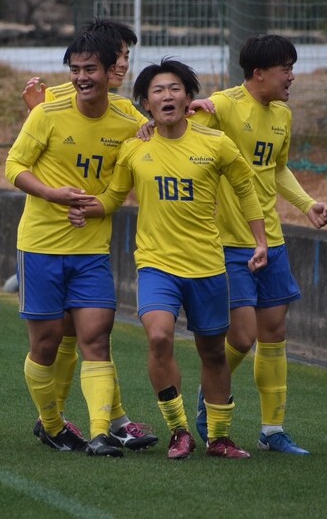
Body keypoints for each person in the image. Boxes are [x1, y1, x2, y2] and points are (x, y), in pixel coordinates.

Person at [68, 59, 268, 460]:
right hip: (157, 264)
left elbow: (246, 185)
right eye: (158, 91)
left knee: (212, 352)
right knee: (159, 336)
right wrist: (87, 208)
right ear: (146, 103)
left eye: (174, 88)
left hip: (208, 265)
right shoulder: (134, 148)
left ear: (189, 98)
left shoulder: (215, 143)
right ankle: (179, 431)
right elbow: (113, 197)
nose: (167, 96)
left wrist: (258, 240)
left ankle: (220, 438)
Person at [5, 31, 157, 458]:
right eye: (74, 70)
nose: (81, 78)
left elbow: (143, 158)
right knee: (47, 343)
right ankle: (52, 425)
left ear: (112, 73)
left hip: (91, 250)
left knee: (96, 338)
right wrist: (53, 193)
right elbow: (14, 166)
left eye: (90, 70)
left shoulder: (129, 122)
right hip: (40, 246)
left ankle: (101, 433)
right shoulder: (48, 113)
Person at [188, 34, 327, 455]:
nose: (292, 76)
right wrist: (187, 113)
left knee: (275, 332)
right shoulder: (223, 104)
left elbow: (278, 169)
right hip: (227, 243)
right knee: (243, 336)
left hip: (271, 241)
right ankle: (211, 390)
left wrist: (307, 205)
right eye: (285, 67)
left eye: (292, 66)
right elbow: (184, 142)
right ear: (258, 73)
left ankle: (272, 431)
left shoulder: (282, 115)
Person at [21, 17, 138, 115]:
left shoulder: (124, 106)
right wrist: (34, 112)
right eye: (116, 56)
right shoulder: (52, 97)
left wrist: (146, 129)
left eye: (126, 57)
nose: (123, 64)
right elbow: (33, 136)